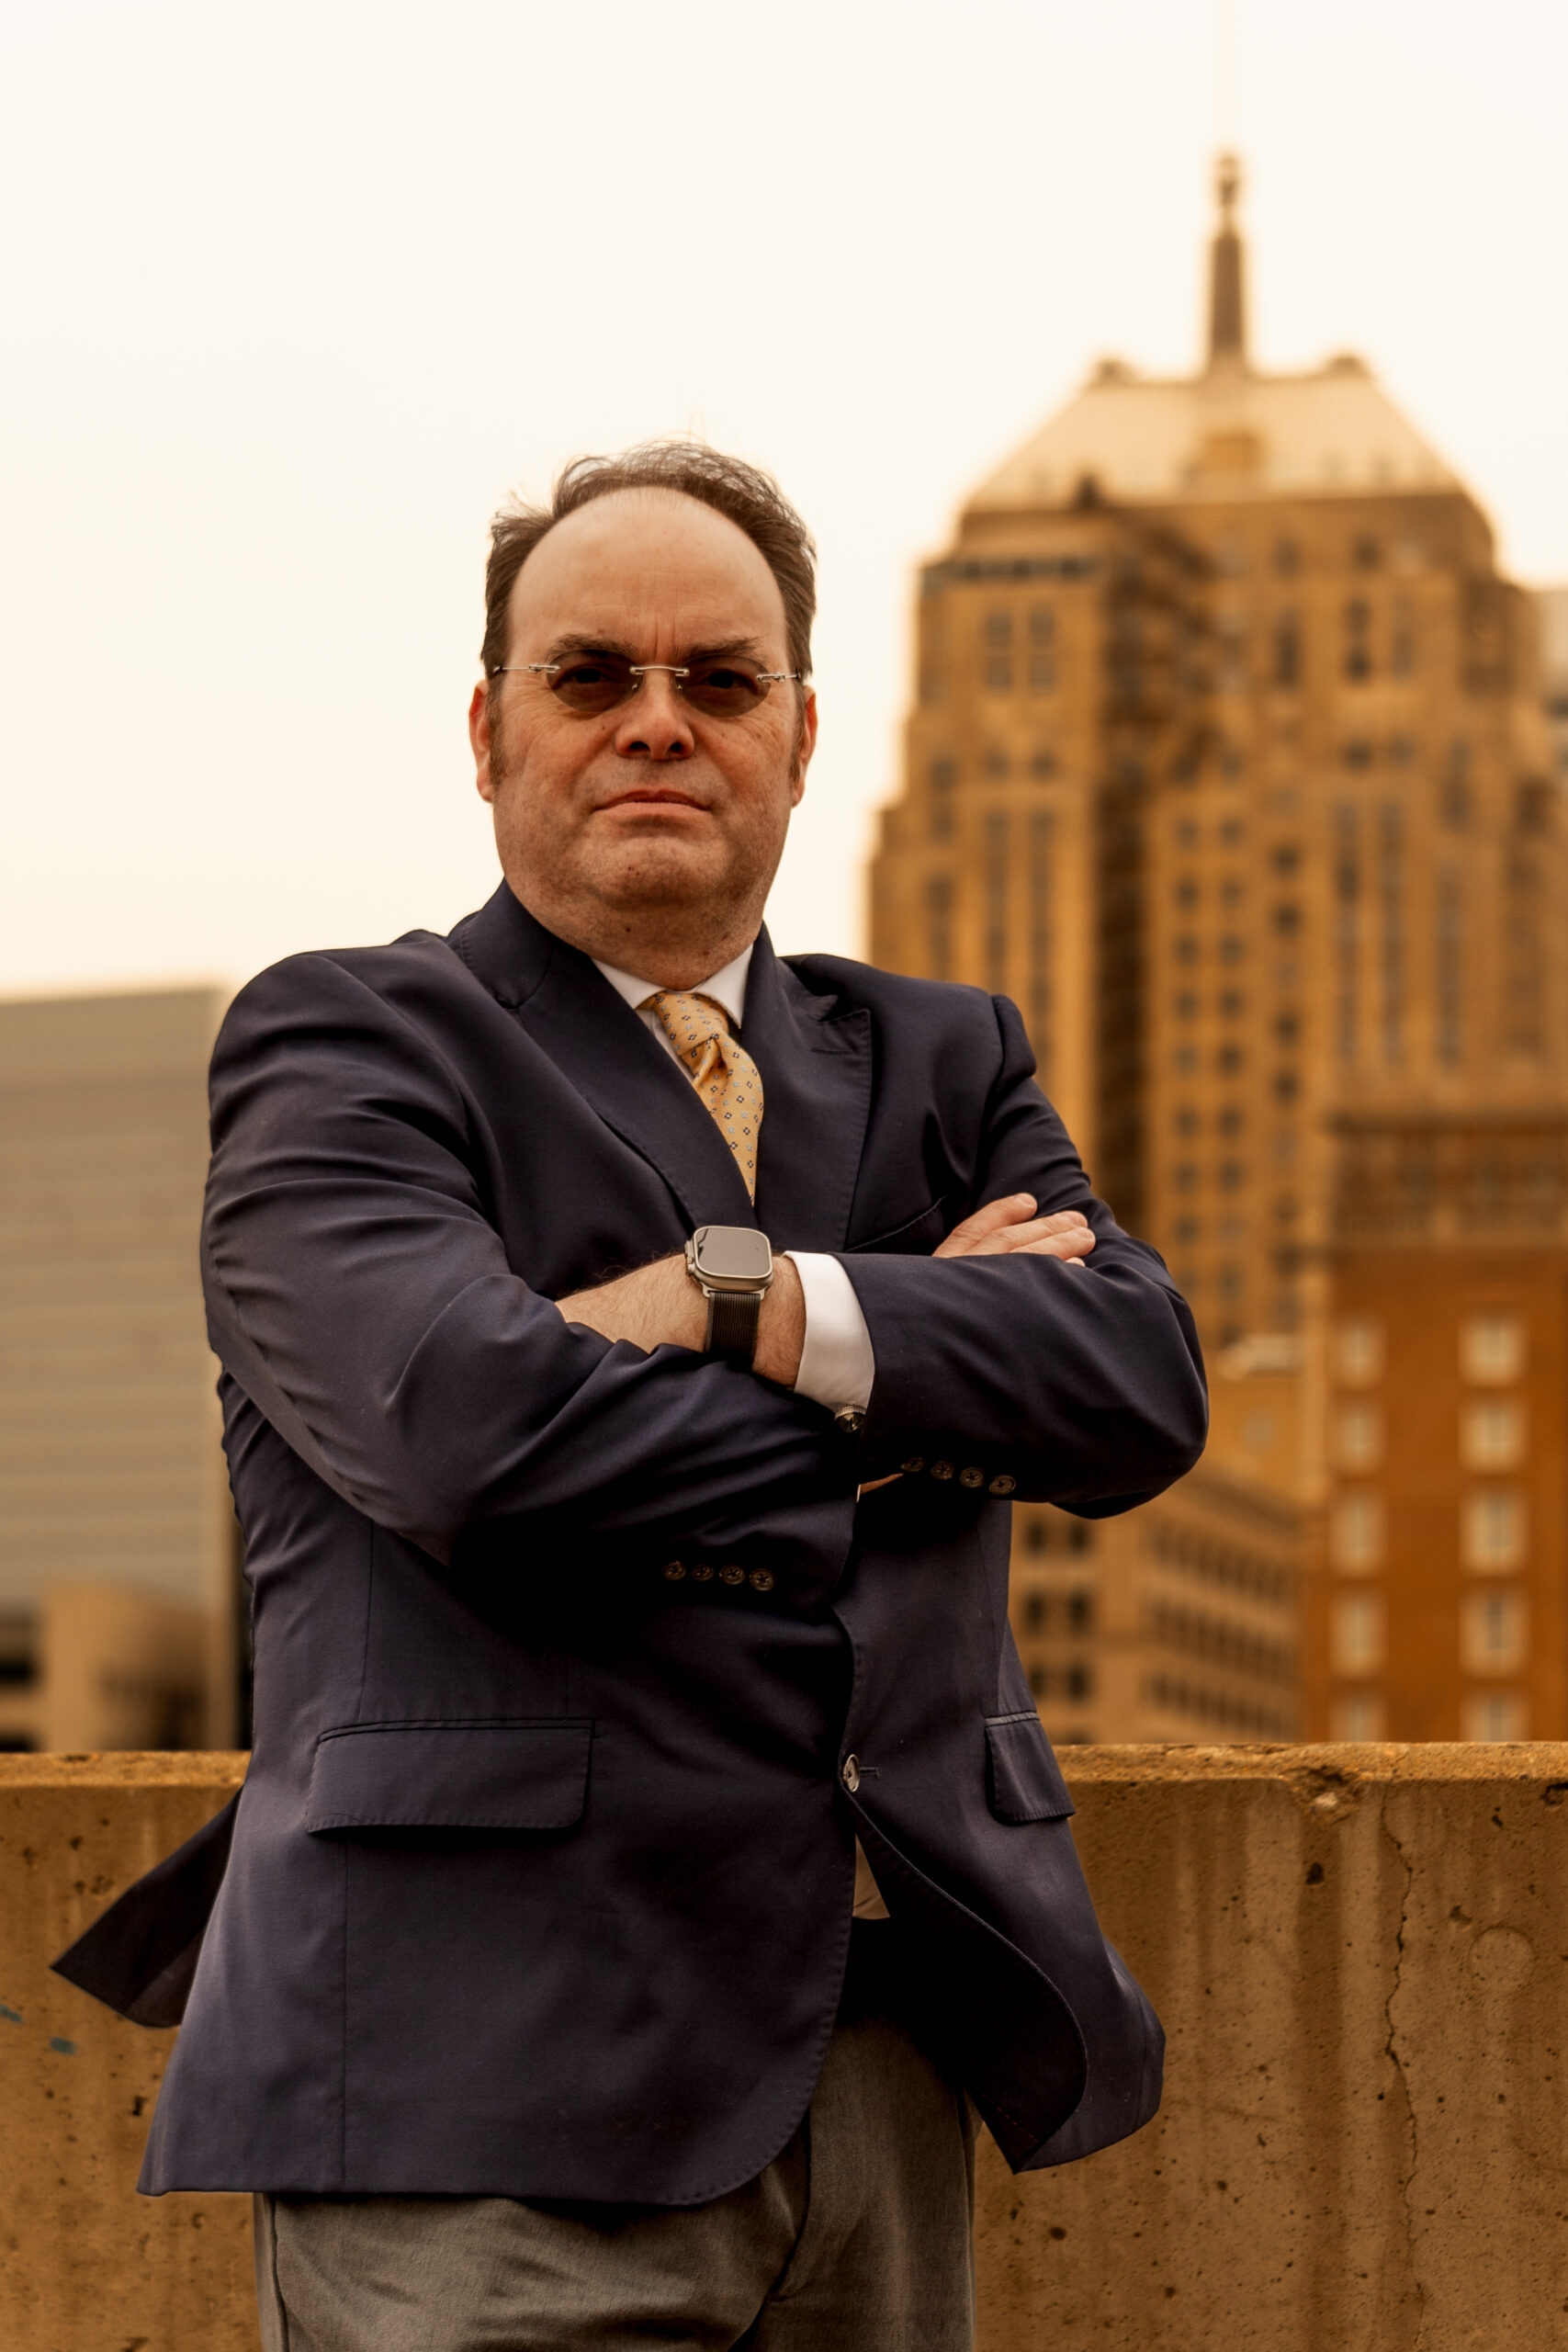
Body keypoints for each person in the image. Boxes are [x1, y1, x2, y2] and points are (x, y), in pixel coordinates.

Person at [57, 442, 1205, 2350]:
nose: (656, 723)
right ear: (491, 726)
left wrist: (719, 1299)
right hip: (475, 2074)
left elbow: (1135, 1384)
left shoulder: (943, 1054)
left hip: (884, 2058)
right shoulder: (348, 1041)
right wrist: (916, 1377)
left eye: (718, 679)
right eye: (591, 675)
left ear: (803, 729)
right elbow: (469, 1433)